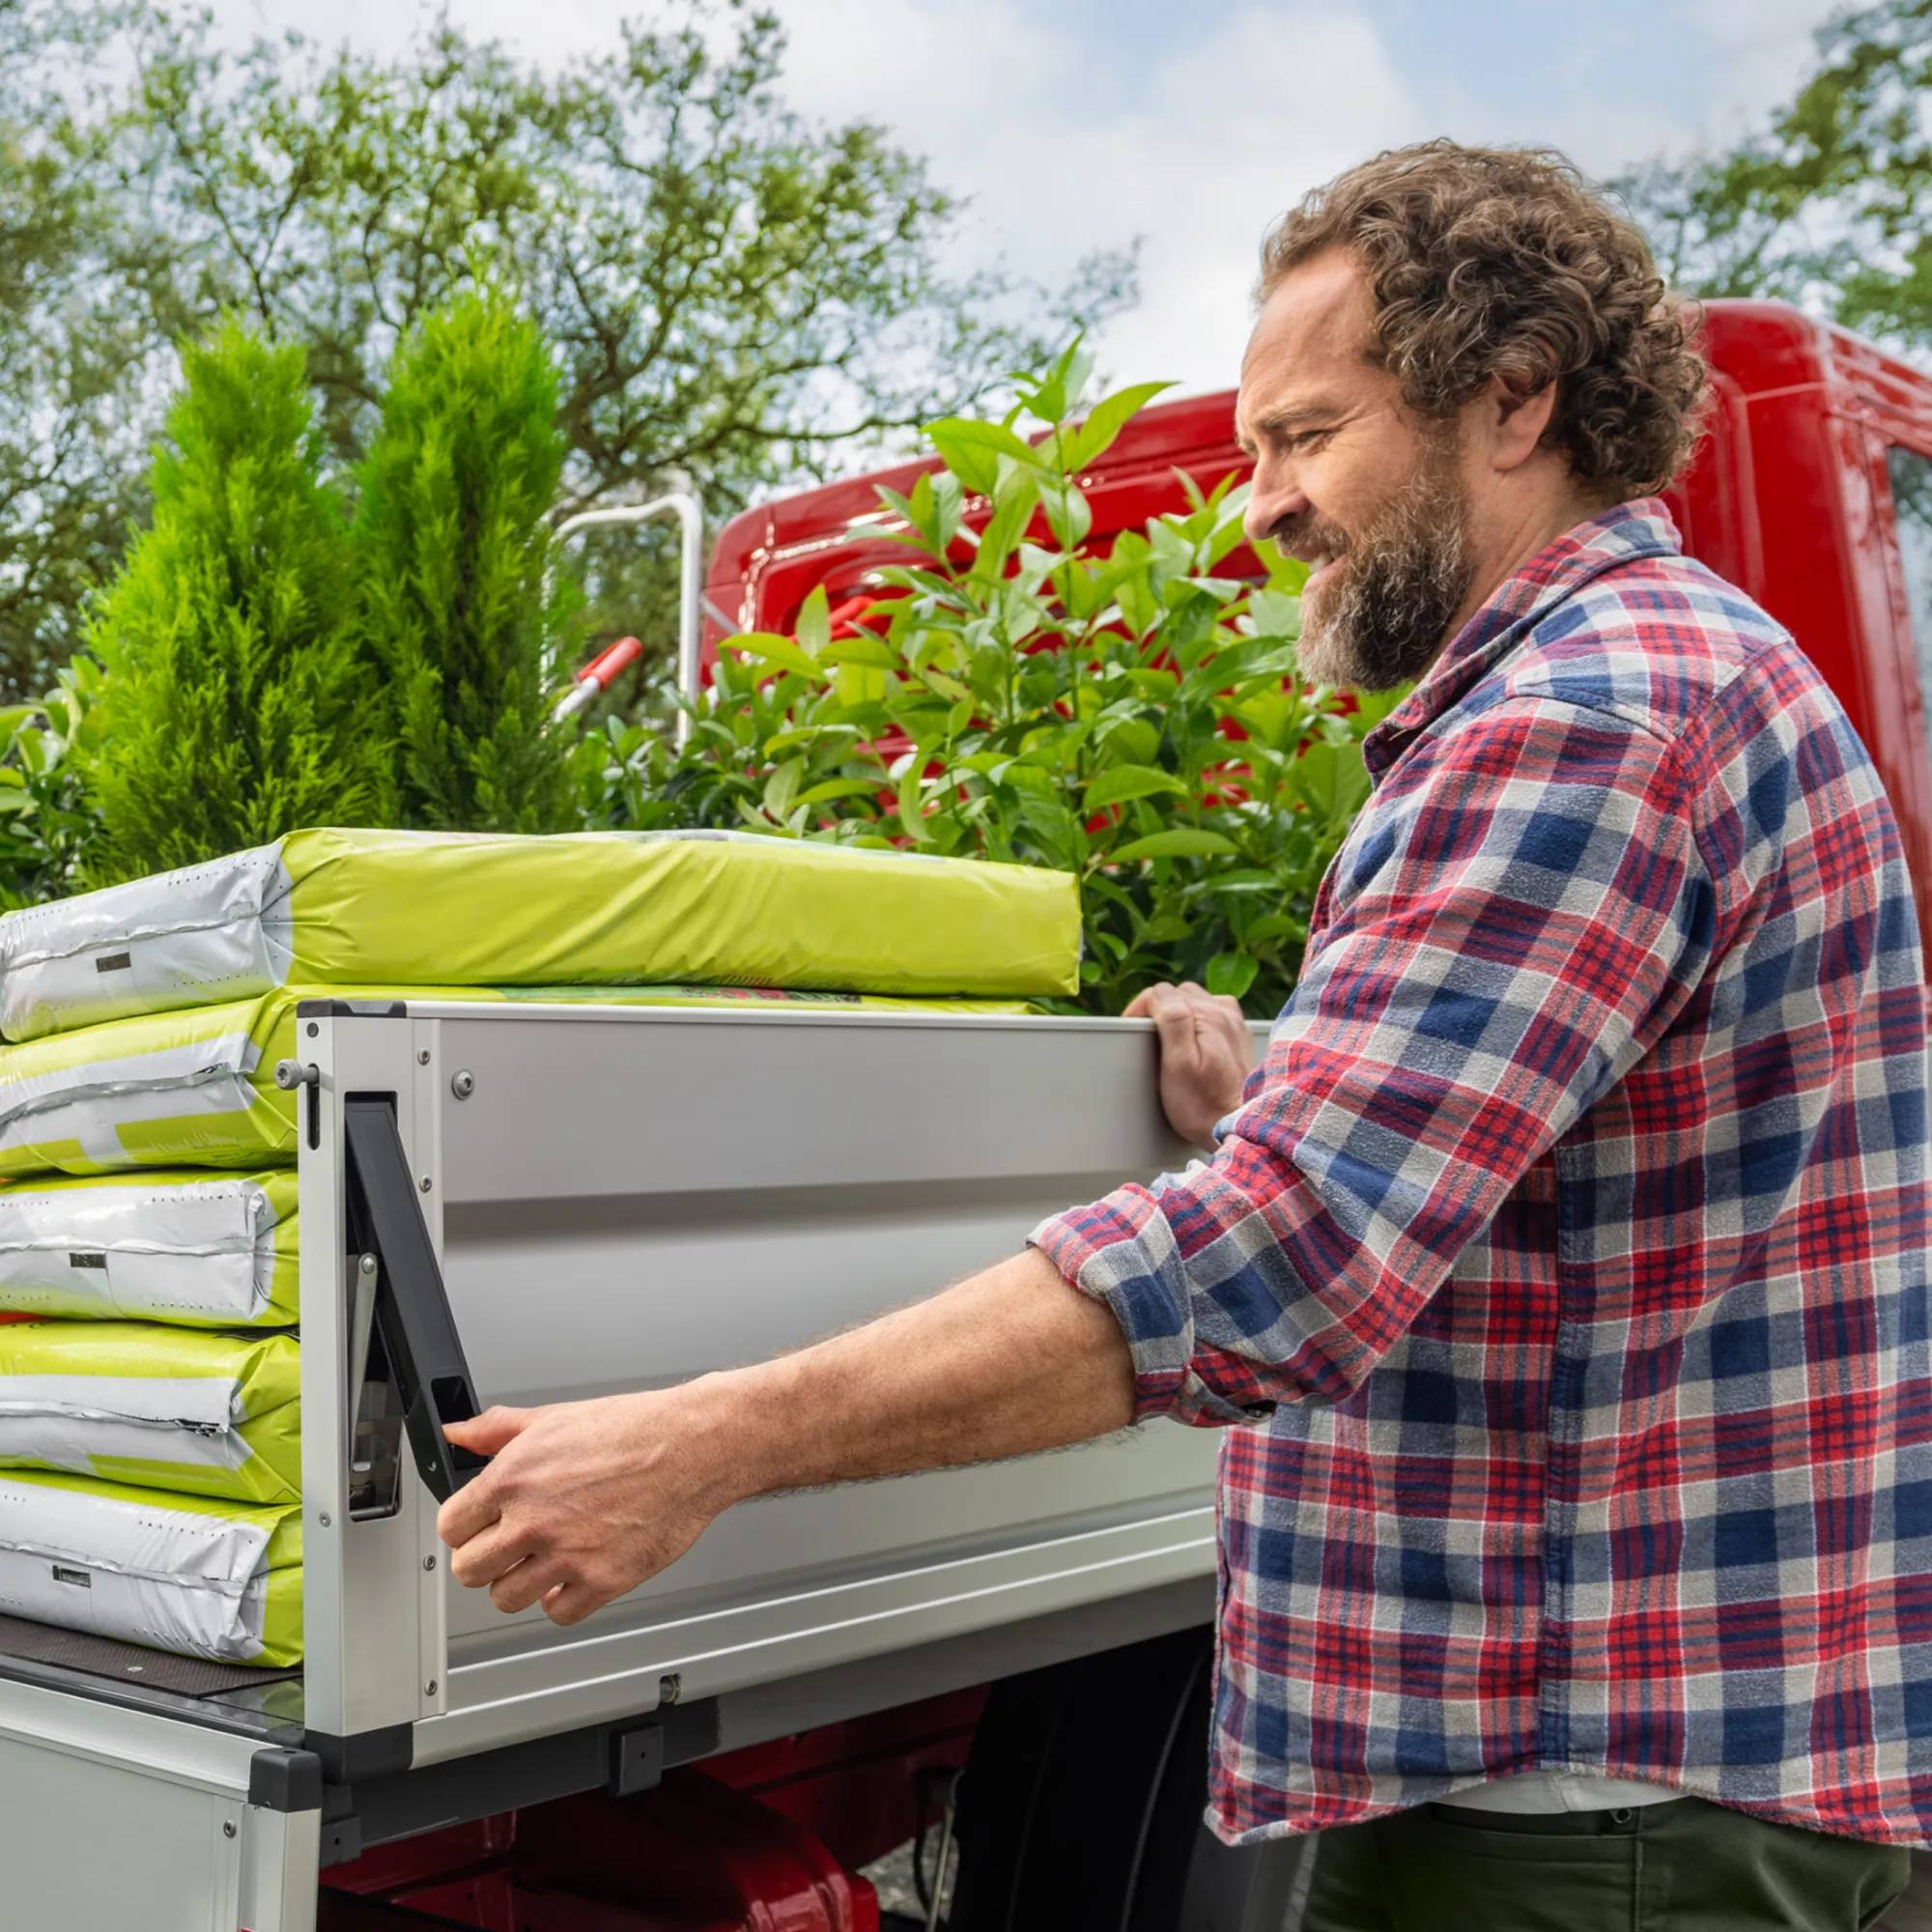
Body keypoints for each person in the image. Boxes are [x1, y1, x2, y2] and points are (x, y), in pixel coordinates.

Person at [437, 142, 1931, 1930]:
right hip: (1670, 1751)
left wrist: (699, 1447)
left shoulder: (1581, 722)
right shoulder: (1687, 664)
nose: (1261, 513)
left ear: (1516, 400)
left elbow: (1284, 1256)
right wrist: (1293, 1085)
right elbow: (1561, 1145)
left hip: (1589, 1807)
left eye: (1308, 438)